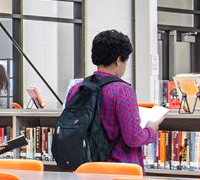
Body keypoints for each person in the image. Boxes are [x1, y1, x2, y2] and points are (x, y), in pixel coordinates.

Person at [62, 29, 157, 166]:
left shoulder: (77, 89)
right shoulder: (122, 90)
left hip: (85, 168)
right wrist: (151, 130)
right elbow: (133, 138)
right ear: (119, 60)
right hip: (119, 170)